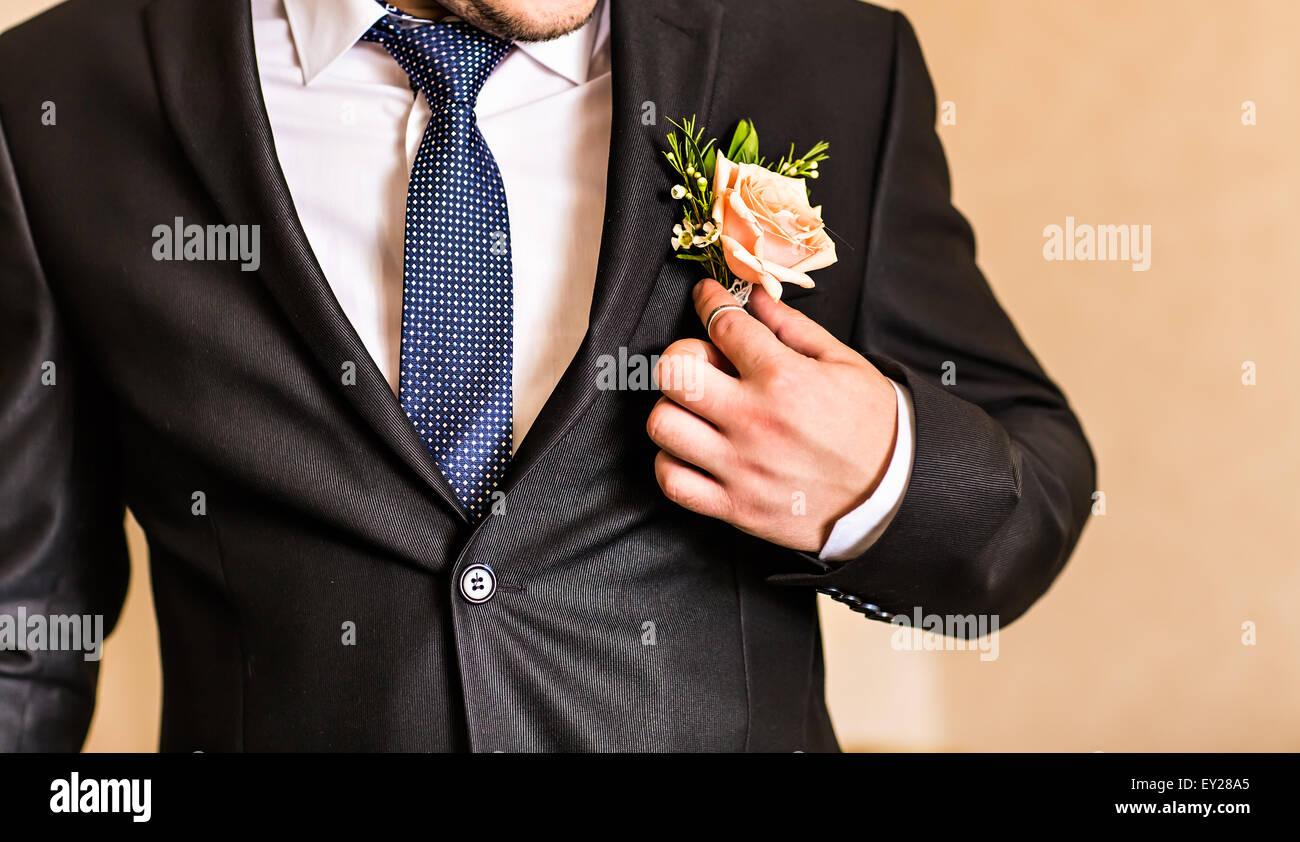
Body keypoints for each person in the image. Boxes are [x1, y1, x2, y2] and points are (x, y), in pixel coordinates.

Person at [0, 0, 1094, 751]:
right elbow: (24, 633)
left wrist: (879, 475)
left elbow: (1033, 495)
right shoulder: (54, 97)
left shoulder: (828, 59)